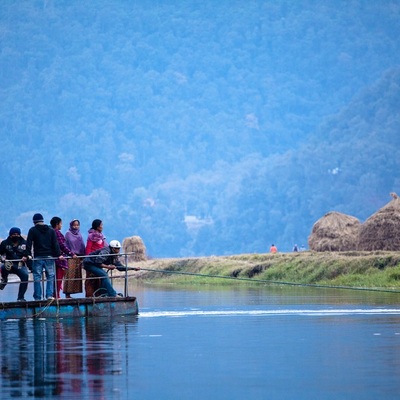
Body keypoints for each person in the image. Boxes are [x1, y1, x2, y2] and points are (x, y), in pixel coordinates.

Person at [26, 213, 61, 301]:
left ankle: (37, 297)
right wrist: (58, 255)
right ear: (42, 221)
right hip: (49, 256)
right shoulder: (51, 230)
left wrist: (28, 255)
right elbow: (55, 244)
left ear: (34, 222)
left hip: (38, 257)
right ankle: (49, 295)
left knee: (37, 277)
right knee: (50, 276)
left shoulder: (32, 230)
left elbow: (29, 244)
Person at [0, 227, 30, 301]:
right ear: (10, 235)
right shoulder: (4, 243)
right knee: (4, 267)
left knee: (25, 276)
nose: (16, 236)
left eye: (17, 234)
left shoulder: (24, 243)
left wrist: (26, 257)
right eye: (14, 234)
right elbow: (0, 253)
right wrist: (2, 258)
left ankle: (20, 297)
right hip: (9, 263)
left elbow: (28, 254)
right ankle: (4, 280)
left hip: (20, 264)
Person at [50, 216, 76, 299]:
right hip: (59, 259)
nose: (61, 225)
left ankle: (54, 294)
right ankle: (56, 295)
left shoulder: (50, 232)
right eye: (61, 224)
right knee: (58, 277)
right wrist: (71, 253)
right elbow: (61, 245)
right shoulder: (57, 233)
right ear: (57, 224)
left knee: (54, 278)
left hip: (52, 258)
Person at [85, 219, 108, 297]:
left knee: (98, 278)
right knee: (90, 279)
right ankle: (89, 296)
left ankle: (98, 295)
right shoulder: (91, 236)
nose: (102, 227)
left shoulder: (101, 236)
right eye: (101, 225)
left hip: (99, 259)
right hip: (92, 260)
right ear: (97, 226)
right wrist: (88, 259)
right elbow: (88, 248)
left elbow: (104, 247)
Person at [64, 219, 85, 298]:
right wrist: (70, 254)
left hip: (78, 257)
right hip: (70, 257)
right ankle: (67, 293)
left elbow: (82, 245)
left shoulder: (79, 234)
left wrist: (83, 255)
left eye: (77, 225)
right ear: (71, 225)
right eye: (74, 225)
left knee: (77, 275)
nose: (76, 227)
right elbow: (65, 245)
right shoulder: (68, 234)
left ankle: (74, 292)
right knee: (70, 275)